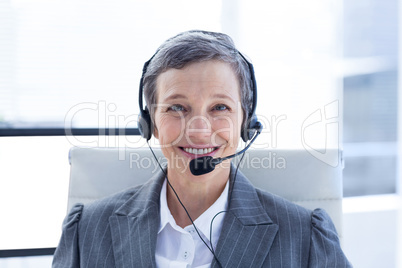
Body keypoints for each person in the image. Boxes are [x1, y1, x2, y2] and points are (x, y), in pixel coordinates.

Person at [53, 30, 351, 267]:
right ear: (150, 123)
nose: (198, 130)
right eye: (177, 108)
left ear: (245, 122)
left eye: (220, 107)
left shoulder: (305, 238)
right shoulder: (87, 231)